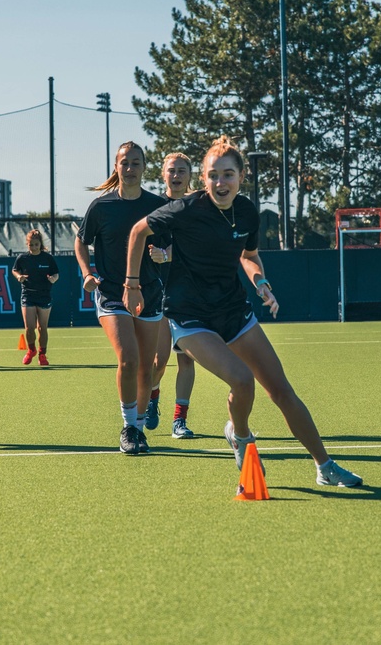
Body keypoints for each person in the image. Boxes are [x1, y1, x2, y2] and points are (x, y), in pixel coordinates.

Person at [124, 135, 363, 487]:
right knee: (241, 379)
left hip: (234, 310)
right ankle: (243, 438)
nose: (220, 182)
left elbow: (248, 257)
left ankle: (325, 466)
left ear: (241, 176)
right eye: (213, 175)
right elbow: (137, 231)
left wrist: (261, 283)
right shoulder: (185, 209)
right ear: (203, 179)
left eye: (228, 175)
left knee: (282, 391)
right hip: (190, 316)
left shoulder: (248, 212)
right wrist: (131, 285)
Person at [75, 141, 166, 455]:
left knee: (147, 368)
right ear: (116, 167)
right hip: (113, 293)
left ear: (144, 167)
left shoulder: (158, 205)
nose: (129, 168)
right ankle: (128, 427)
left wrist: (163, 253)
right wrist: (87, 272)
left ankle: (139, 429)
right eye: (124, 163)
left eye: (135, 163)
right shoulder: (101, 206)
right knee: (128, 359)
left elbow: (171, 245)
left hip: (151, 293)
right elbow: (80, 241)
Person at [143, 152, 199, 439]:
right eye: (171, 171)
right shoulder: (152, 207)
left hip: (188, 295)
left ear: (190, 175)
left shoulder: (197, 207)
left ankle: (180, 420)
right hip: (158, 295)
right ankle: (153, 397)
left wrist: (168, 255)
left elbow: (198, 248)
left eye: (181, 171)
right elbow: (140, 242)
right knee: (159, 362)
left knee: (187, 359)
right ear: (163, 174)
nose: (176, 175)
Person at [12, 229, 59, 365]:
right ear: (28, 245)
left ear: (40, 244)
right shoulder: (22, 258)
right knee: (29, 327)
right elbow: (14, 270)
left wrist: (53, 279)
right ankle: (31, 349)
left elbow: (56, 274)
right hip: (28, 294)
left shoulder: (48, 258)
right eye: (31, 245)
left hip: (44, 295)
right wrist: (19, 277)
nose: (33, 247)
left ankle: (42, 354)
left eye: (36, 245)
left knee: (42, 328)